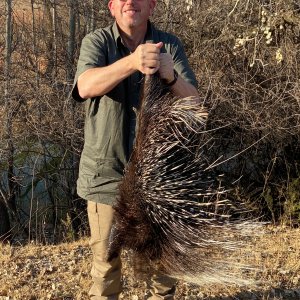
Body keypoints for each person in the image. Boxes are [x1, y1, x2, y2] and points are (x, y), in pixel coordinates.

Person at [72, 0, 199, 299]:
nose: (131, 2)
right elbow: (85, 86)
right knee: (106, 268)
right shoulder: (97, 42)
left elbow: (195, 104)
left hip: (159, 179)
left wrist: (171, 76)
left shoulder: (169, 44)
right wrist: (131, 62)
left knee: (164, 268)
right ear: (112, 7)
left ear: (152, 6)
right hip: (106, 177)